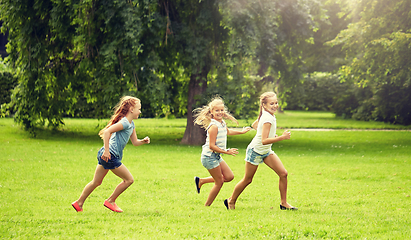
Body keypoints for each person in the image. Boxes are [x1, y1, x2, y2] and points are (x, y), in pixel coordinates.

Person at [72, 96, 150, 213]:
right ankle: (111, 200)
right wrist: (107, 151)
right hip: (110, 155)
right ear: (131, 110)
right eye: (139, 108)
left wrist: (143, 141)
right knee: (129, 180)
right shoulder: (124, 122)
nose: (140, 111)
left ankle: (79, 203)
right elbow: (108, 132)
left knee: (96, 182)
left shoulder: (131, 124)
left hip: (107, 155)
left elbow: (135, 142)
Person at [224, 92, 297, 210]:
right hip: (255, 151)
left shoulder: (268, 114)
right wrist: (281, 137)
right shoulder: (267, 118)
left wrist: (271, 134)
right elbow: (264, 140)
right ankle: (230, 201)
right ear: (264, 105)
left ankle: (284, 203)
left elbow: (255, 125)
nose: (275, 105)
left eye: (276, 103)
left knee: (283, 174)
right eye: (271, 103)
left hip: (266, 151)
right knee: (248, 180)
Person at [194, 96, 251, 206]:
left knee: (229, 177)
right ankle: (207, 206)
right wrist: (227, 151)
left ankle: (201, 181)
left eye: (221, 110)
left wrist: (242, 132)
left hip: (216, 156)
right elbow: (211, 146)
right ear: (211, 111)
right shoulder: (213, 126)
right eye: (217, 110)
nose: (220, 112)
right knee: (219, 182)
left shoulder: (222, 123)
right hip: (209, 157)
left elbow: (228, 131)